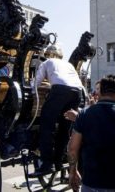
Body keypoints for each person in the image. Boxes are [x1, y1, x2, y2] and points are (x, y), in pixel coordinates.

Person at [68, 74, 115, 192]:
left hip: (91, 181)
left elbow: (73, 148)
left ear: (99, 92)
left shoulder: (84, 114)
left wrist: (73, 171)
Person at [31, 43, 86, 175]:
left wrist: (33, 91)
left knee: (46, 126)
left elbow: (37, 81)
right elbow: (80, 84)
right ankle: (58, 162)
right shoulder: (68, 65)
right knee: (64, 129)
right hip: (77, 92)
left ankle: (46, 163)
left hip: (60, 90)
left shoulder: (46, 62)